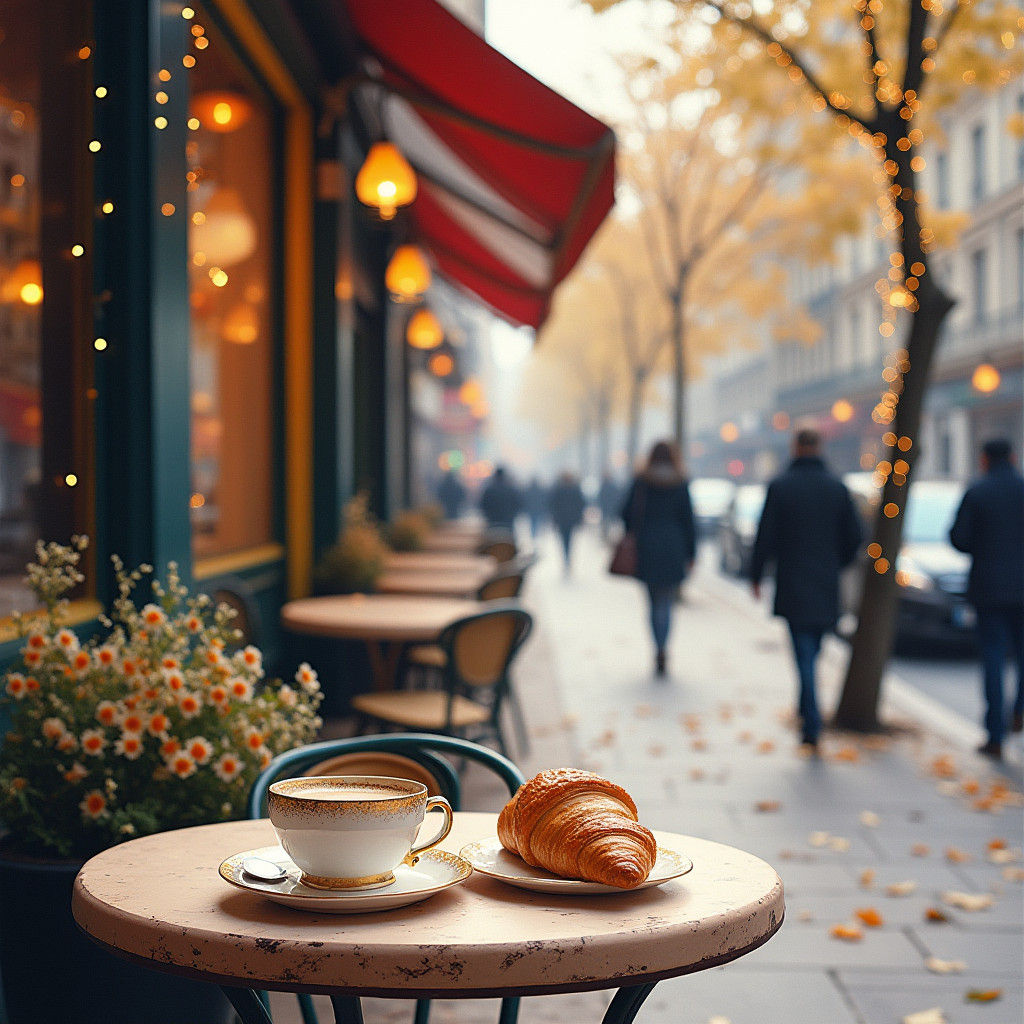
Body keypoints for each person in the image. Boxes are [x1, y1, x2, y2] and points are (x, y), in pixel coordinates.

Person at [750, 426, 862, 751]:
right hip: (826, 582)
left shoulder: (781, 486)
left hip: (793, 580)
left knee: (804, 654)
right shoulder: (837, 487)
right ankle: (806, 709)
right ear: (819, 447)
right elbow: (854, 537)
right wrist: (835, 562)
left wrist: (757, 575)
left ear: (795, 448)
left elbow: (765, 535)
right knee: (813, 649)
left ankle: (810, 720)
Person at [949, 437, 1024, 760]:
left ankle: (995, 733)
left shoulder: (977, 491)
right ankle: (1019, 708)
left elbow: (958, 538)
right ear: (1013, 457)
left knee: (993, 658)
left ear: (983, 459)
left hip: (989, 588)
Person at [622, 441, 696, 677]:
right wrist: (691, 553)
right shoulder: (680, 482)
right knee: (666, 602)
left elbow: (625, 513)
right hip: (674, 548)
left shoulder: (642, 481)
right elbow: (688, 520)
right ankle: (664, 646)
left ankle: (657, 646)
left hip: (647, 547)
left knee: (653, 602)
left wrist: (637, 530)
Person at [547, 471, 587, 573]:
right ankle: (567, 558)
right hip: (570, 520)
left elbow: (552, 505)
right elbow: (581, 504)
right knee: (569, 540)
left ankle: (566, 558)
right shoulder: (575, 489)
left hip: (562, 520)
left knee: (564, 540)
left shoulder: (558, 489)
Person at [478, 465, 522, 531]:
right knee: (507, 540)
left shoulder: (489, 489)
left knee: (492, 539)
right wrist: (512, 515)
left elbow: (483, 504)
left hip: (492, 522)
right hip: (508, 523)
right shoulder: (511, 489)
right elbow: (517, 504)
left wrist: (488, 515)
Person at [597, 474, 622, 541]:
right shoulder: (613, 487)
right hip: (611, 509)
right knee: (610, 523)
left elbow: (600, 499)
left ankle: (606, 536)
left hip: (606, 509)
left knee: (606, 523)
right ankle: (609, 537)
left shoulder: (603, 488)